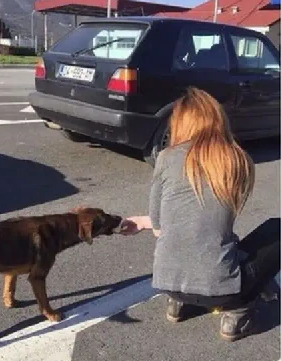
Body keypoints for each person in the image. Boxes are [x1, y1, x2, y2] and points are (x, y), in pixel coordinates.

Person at [120, 87, 280, 342]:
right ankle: (237, 312)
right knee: (276, 229)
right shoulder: (237, 160)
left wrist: (142, 221)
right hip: (220, 289)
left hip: (168, 283)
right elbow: (215, 223)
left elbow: (163, 228)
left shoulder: (166, 157)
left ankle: (179, 304)